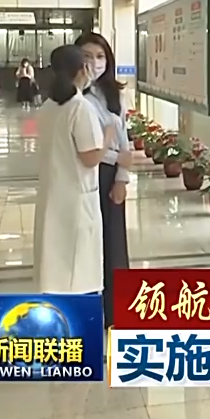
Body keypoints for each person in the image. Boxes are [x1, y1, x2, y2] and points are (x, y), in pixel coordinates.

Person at [34, 44, 108, 296]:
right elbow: (90, 157)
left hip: (53, 196)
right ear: (83, 69)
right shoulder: (80, 107)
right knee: (79, 274)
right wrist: (109, 137)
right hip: (76, 202)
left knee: (54, 271)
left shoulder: (48, 107)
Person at [75, 32, 131, 329]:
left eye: (100, 57)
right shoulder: (73, 98)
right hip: (83, 176)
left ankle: (116, 312)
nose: (94, 63)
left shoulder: (114, 94)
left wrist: (122, 177)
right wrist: (116, 158)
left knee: (114, 243)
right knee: (87, 245)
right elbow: (80, 148)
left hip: (109, 175)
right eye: (87, 56)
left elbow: (123, 140)